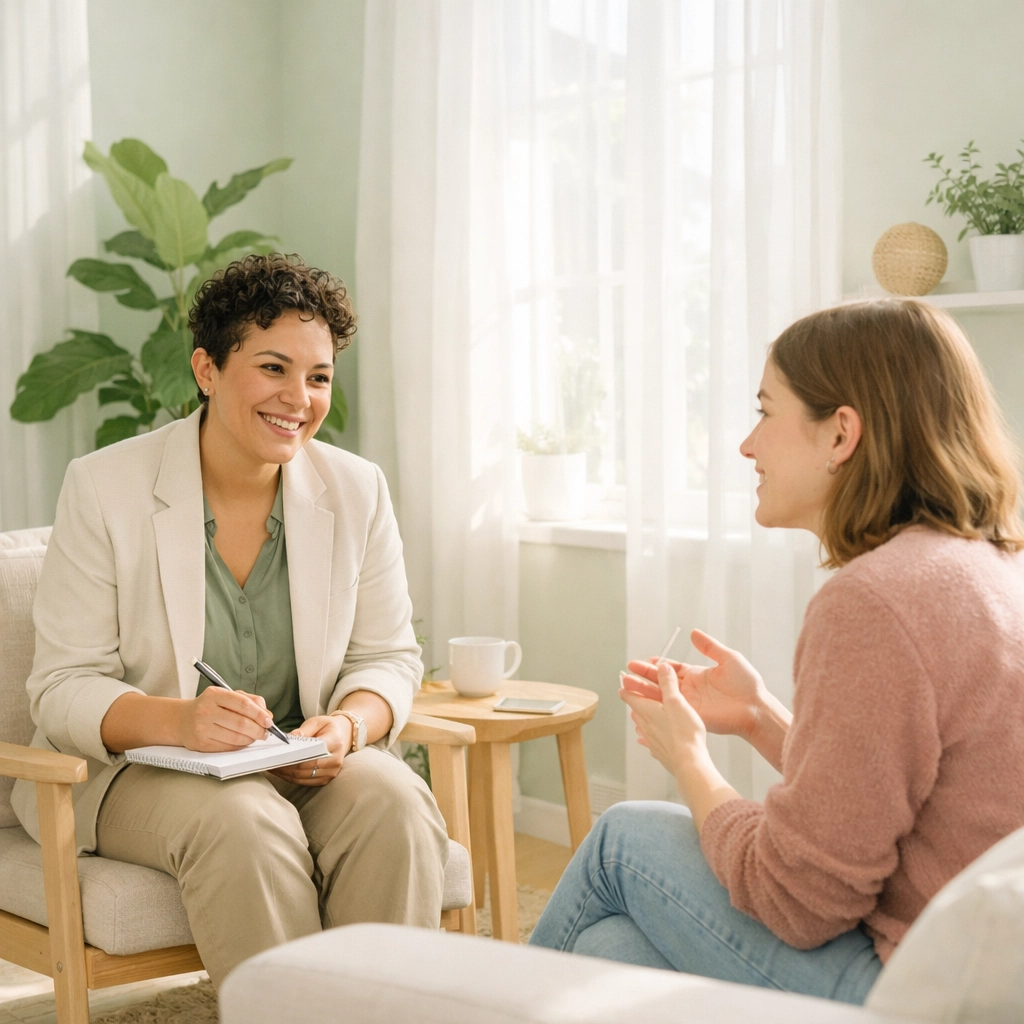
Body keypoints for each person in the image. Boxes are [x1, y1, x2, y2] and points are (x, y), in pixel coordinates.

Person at [530, 298, 1024, 1004]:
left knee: (620, 840)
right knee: (611, 949)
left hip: (921, 990)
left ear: (841, 434)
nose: (746, 445)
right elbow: (887, 806)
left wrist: (689, 760)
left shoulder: (876, 601)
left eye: (765, 412)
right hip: (991, 977)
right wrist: (760, 716)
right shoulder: (988, 567)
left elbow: (798, 901)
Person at [12, 253, 449, 987]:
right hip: (133, 771)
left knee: (396, 803)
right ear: (207, 369)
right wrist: (181, 721)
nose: (299, 399)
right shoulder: (105, 487)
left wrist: (347, 727)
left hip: (302, 760)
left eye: (318, 377)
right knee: (244, 819)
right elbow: (62, 687)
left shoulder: (357, 490)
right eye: (273, 368)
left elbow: (388, 658)